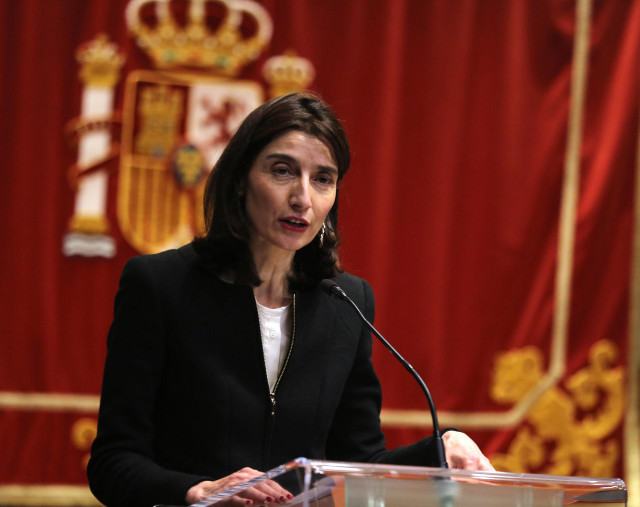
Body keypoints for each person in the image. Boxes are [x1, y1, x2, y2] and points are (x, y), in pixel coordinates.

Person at [87, 92, 493, 507]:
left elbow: (359, 462)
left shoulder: (345, 303)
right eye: (283, 171)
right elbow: (112, 463)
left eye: (323, 179)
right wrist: (200, 491)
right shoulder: (161, 286)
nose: (303, 198)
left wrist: (440, 450)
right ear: (240, 179)